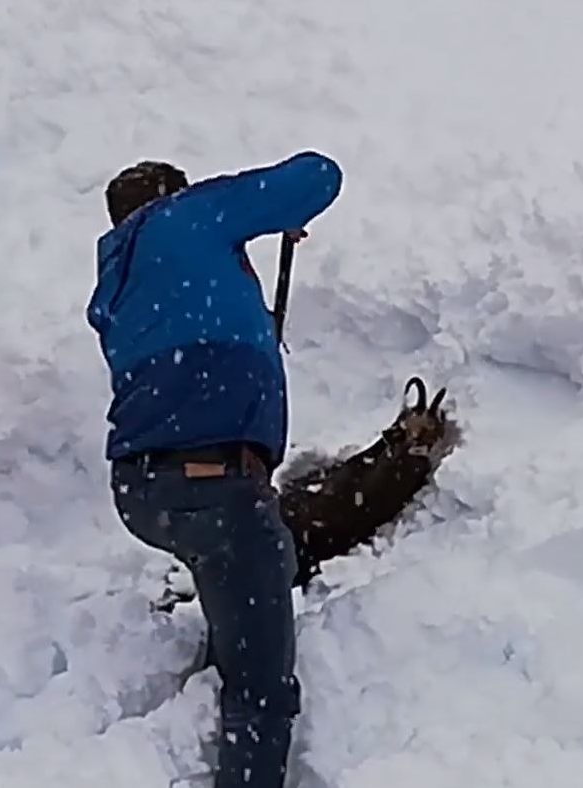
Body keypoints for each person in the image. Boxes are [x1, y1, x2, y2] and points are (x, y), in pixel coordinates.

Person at [86, 152, 342, 788]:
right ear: (178, 196)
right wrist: (265, 215)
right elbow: (318, 175)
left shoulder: (121, 280)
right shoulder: (189, 218)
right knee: (263, 691)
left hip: (148, 489)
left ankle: (212, 660)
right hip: (214, 485)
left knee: (260, 568)